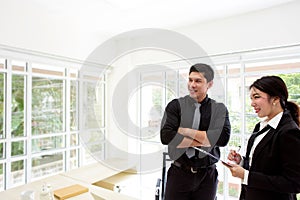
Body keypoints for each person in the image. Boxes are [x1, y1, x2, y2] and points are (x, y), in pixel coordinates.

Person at [160, 63, 231, 200]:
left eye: (198, 81)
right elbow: (166, 137)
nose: (192, 85)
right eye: (190, 80)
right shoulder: (175, 106)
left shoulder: (219, 109)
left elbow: (222, 139)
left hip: (207, 176)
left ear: (209, 84)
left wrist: (185, 131)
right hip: (179, 173)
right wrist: (206, 139)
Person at [226, 75, 300, 200]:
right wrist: (242, 161)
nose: (252, 103)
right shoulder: (260, 126)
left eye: (257, 97)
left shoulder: (289, 132)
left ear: (275, 99)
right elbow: (264, 165)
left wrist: (246, 176)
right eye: (251, 98)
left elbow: (294, 183)